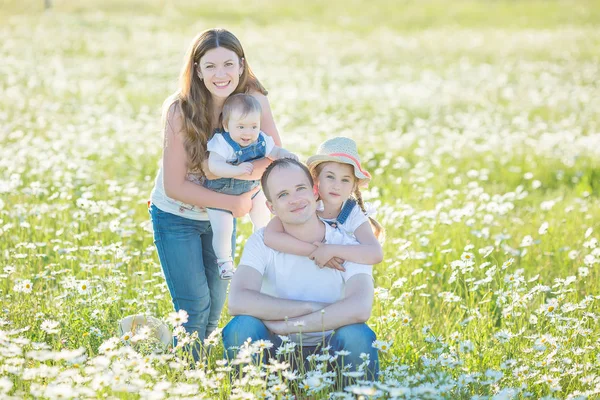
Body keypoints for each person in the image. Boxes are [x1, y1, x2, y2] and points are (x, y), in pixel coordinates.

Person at [148, 28, 281, 361]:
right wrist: (234, 202)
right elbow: (174, 186)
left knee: (215, 306)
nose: (220, 74)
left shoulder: (254, 101)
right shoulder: (180, 109)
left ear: (241, 65)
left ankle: (192, 369)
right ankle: (185, 376)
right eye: (210, 66)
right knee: (194, 304)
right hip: (178, 216)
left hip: (221, 217)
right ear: (196, 69)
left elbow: (272, 157)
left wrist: (238, 173)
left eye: (227, 64)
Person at [223, 158, 379, 380]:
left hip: (331, 349)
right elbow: (238, 301)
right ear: (271, 207)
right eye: (283, 195)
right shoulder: (262, 241)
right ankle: (252, 392)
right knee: (241, 327)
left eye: (300, 189)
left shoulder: (348, 245)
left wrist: (293, 325)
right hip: (276, 348)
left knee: (358, 335)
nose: (295, 200)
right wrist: (309, 306)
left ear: (315, 191)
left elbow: (360, 308)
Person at [203, 94, 297, 279]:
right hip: (220, 191)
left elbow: (274, 151)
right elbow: (214, 166)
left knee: (263, 216)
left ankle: (263, 248)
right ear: (226, 125)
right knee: (224, 229)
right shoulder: (221, 142)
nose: (248, 133)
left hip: (251, 189)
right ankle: (225, 263)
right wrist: (236, 170)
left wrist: (283, 154)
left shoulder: (262, 139)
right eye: (241, 127)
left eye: (254, 126)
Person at [264, 136, 384, 271]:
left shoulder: (352, 214)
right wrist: (315, 251)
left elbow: (375, 253)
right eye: (330, 177)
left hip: (339, 276)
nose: (336, 186)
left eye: (345, 180)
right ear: (315, 178)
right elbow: (270, 236)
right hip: (300, 269)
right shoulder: (305, 204)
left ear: (353, 186)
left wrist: (332, 250)